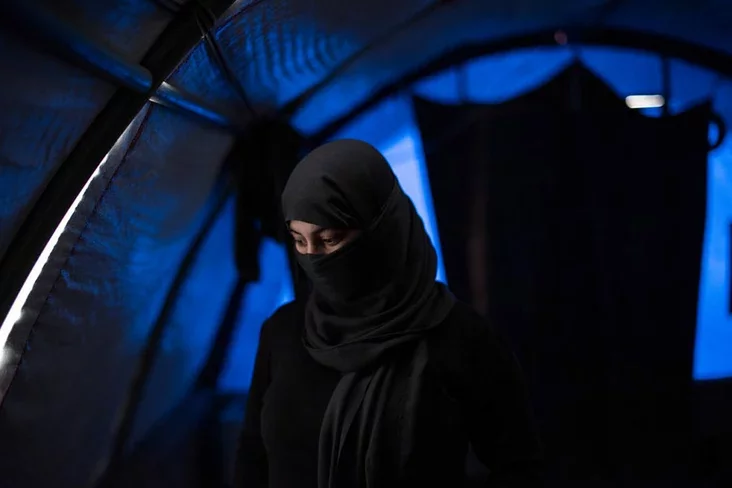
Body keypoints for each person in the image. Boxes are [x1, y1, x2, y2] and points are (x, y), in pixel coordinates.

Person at [234, 139, 542, 488]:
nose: (314, 258)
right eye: (299, 241)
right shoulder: (282, 331)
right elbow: (252, 455)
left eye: (330, 239)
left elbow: (519, 466)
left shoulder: (461, 337)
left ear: (382, 229)